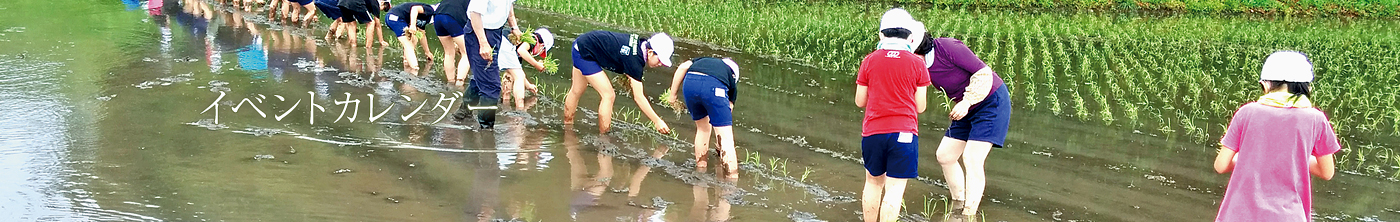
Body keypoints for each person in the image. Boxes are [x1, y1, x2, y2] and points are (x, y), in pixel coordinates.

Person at [902, 12, 1010, 222]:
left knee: (972, 158)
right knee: (945, 156)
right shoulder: (918, 64)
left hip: (990, 101)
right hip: (965, 107)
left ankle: (969, 214)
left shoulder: (948, 47)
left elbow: (983, 73)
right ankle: (958, 204)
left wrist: (967, 102)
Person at [1213, 51, 1338, 222]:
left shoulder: (1246, 113)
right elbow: (1327, 172)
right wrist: (1294, 158)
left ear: (1265, 85)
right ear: (1307, 88)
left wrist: (1249, 156)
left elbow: (1221, 165)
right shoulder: (1316, 119)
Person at [855, 9, 930, 222]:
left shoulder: (869, 60)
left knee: (872, 183)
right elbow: (920, 106)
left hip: (873, 132)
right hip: (904, 134)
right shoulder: (918, 63)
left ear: (881, 35)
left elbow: (860, 101)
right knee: (894, 190)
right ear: (911, 37)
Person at [563, 30, 675, 134]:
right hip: (585, 51)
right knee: (608, 95)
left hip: (581, 43)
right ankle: (604, 138)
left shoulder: (640, 45)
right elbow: (639, 98)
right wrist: (657, 121)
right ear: (650, 52)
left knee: (577, 90)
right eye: (660, 60)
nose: (660, 64)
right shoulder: (635, 61)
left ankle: (567, 127)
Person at [664, 57, 741, 178]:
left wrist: (673, 95)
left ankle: (701, 169)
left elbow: (683, 67)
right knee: (727, 139)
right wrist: (720, 144)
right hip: (714, 86)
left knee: (702, 129)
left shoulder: (702, 60)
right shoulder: (730, 80)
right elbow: (727, 111)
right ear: (733, 75)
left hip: (690, 83)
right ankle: (732, 181)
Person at [450, 0, 520, 129]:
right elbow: (474, 12)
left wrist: (514, 26)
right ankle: (486, 129)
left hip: (496, 32)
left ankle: (463, 113)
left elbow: (508, 4)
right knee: (491, 86)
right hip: (479, 33)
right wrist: (483, 43)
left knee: (481, 77)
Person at [500, 27, 554, 110]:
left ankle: (505, 102)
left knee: (511, 73)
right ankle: (520, 107)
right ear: (542, 46)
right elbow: (521, 51)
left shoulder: (517, 47)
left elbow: (518, 70)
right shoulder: (533, 40)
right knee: (519, 77)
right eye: (541, 51)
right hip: (504, 42)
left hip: (500, 41)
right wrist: (536, 64)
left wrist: (528, 85)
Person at [384, 2, 437, 70]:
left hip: (397, 19)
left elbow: (422, 36)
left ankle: (407, 63)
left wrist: (427, 52)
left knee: (414, 39)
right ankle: (414, 69)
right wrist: (412, 25)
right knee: (408, 44)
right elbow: (414, 9)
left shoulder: (425, 20)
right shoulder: (430, 9)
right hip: (395, 17)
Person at [432, 0, 470, 84]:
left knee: (449, 53)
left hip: (438, 16)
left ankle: (450, 81)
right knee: (466, 53)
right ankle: (459, 84)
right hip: (452, 16)